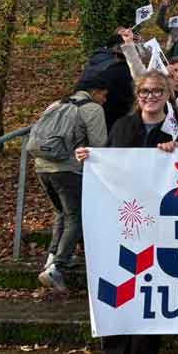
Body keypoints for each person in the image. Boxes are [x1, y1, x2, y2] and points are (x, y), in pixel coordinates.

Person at [76, 71, 178, 354]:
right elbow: (109, 167)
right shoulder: (122, 126)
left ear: (167, 94)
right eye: (144, 91)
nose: (150, 96)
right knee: (114, 295)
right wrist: (90, 159)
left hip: (159, 225)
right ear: (137, 95)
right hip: (119, 224)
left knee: (148, 297)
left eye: (157, 91)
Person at [31, 73, 109, 292]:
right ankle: (57, 267)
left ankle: (52, 258)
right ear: (94, 92)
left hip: (42, 167)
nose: (105, 100)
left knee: (62, 213)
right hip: (69, 170)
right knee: (76, 216)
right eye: (104, 95)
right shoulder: (92, 109)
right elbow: (99, 144)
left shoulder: (56, 104)